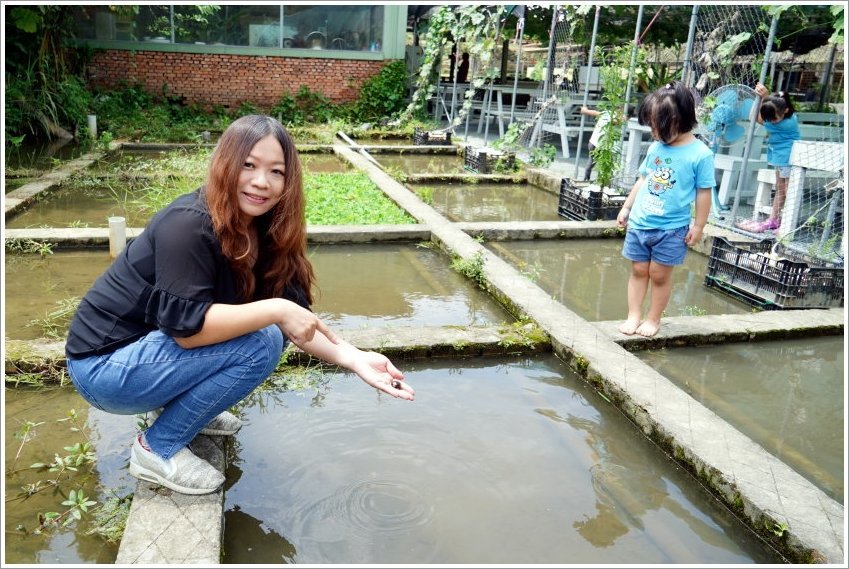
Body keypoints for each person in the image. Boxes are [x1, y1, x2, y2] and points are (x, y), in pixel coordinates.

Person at [64, 115, 415, 495]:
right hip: (104, 369)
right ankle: (155, 448)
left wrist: (354, 357)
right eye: (248, 165)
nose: (261, 181)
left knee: (270, 334)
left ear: (288, 181)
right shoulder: (188, 224)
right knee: (261, 340)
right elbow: (188, 332)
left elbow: (297, 319)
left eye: (276, 171)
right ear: (224, 164)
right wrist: (275, 311)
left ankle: (182, 413)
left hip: (147, 355)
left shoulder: (266, 229)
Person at [615, 81, 714, 338]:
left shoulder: (700, 154)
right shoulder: (657, 148)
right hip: (640, 222)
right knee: (638, 270)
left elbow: (704, 192)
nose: (654, 133)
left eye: (657, 127)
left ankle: (653, 318)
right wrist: (626, 208)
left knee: (659, 274)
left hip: (671, 228)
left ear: (676, 119)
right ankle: (633, 315)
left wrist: (699, 225)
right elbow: (644, 179)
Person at [736, 83, 800, 233]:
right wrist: (763, 98)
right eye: (769, 119)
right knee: (780, 188)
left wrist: (764, 97)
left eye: (774, 118)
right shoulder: (783, 117)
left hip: (789, 159)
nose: (771, 121)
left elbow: (754, 117)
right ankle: (774, 219)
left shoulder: (786, 124)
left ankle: (785, 223)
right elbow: (761, 117)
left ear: (786, 110)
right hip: (781, 158)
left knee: (788, 190)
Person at [580, 106, 613, 182]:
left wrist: (585, 110)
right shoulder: (613, 116)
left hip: (593, 142)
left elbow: (594, 112)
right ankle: (601, 181)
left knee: (591, 160)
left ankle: (586, 178)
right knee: (604, 163)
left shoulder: (605, 113)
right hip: (600, 144)